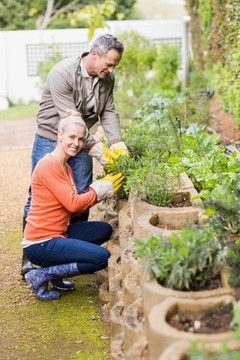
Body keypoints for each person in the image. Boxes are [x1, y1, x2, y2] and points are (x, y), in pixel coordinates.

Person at [21, 33, 128, 279]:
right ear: (93, 54)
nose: (111, 70)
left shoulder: (106, 79)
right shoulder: (62, 73)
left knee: (80, 191)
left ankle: (67, 252)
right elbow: (72, 121)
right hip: (54, 137)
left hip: (80, 140)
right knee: (37, 195)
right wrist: (100, 152)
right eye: (108, 64)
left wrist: (118, 143)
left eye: (115, 66)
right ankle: (30, 258)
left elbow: (108, 111)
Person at [22, 112, 124, 300]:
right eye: (71, 137)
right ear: (59, 135)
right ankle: (41, 274)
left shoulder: (66, 167)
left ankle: (55, 272)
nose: (76, 143)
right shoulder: (48, 165)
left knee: (103, 230)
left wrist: (100, 190)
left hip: (58, 233)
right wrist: (100, 190)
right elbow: (72, 203)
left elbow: (74, 208)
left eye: (80, 139)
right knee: (102, 257)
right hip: (40, 243)